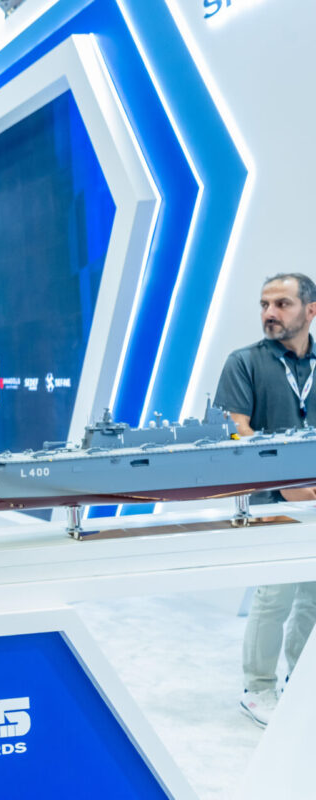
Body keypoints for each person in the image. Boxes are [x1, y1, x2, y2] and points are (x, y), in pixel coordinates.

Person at [215, 272, 316, 728]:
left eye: (281, 304)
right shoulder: (244, 363)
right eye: (264, 304)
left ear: (310, 310)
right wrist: (289, 481)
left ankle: (301, 681)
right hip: (273, 500)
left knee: (313, 597)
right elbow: (238, 430)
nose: (269, 313)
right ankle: (257, 689)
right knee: (275, 595)